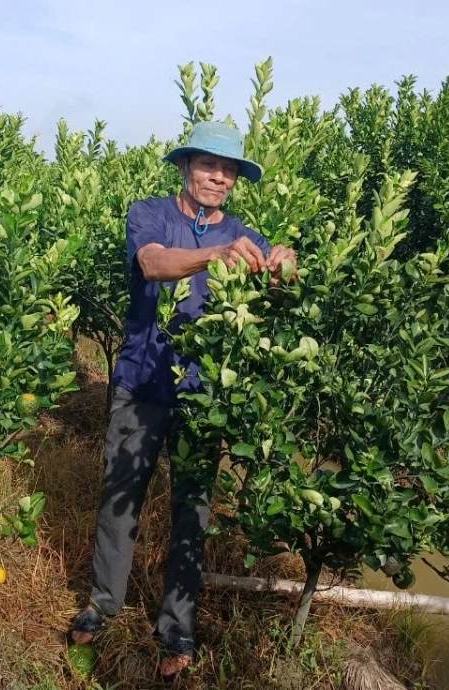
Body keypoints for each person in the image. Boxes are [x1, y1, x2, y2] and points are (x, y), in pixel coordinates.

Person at [66, 120, 297, 681]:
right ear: (185, 166)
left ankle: (177, 625)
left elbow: (278, 280)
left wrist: (283, 265)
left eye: (228, 170)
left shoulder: (245, 233)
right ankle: (103, 604)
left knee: (191, 513)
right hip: (142, 385)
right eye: (208, 165)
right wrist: (216, 255)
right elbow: (153, 264)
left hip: (201, 397)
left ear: (236, 180)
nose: (217, 177)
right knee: (120, 502)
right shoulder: (148, 213)